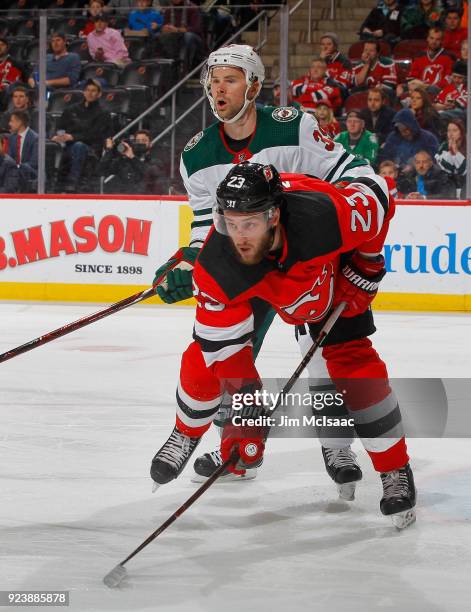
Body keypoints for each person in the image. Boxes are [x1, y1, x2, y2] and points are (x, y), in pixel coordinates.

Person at [151, 44, 394, 488]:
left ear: (255, 86)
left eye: (229, 79)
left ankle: (337, 448)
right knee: (230, 356)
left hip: (306, 258)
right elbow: (206, 226)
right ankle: (239, 452)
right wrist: (186, 260)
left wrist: (347, 246)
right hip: (246, 264)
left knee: (322, 355)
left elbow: (348, 171)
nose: (217, 88)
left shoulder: (294, 127)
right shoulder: (196, 155)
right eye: (213, 79)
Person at [150, 161, 417, 530]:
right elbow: (224, 352)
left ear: (274, 215)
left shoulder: (322, 216)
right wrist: (249, 414)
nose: (239, 235)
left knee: (355, 364)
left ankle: (394, 469)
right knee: (203, 355)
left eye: (250, 223)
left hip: (329, 275)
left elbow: (379, 193)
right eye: (231, 222)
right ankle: (186, 430)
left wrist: (366, 266)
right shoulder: (217, 264)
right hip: (263, 283)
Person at [51, 79, 112, 192]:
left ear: (99, 94)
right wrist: (59, 137)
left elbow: (96, 134)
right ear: (83, 92)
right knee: (51, 146)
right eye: (87, 90)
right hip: (68, 145)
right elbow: (61, 127)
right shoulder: (71, 109)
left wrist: (73, 137)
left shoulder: (103, 113)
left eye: (93, 90)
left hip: (91, 148)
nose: (90, 93)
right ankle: (51, 183)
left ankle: (73, 183)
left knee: (78, 146)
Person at [98, 128, 163, 194]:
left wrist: (132, 157)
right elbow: (101, 171)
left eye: (144, 140)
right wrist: (109, 151)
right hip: (126, 199)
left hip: (146, 200)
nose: (140, 143)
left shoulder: (156, 161)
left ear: (150, 144)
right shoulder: (124, 161)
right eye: (137, 141)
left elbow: (150, 174)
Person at [397, 27, 454, 98]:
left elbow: (448, 78)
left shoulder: (449, 57)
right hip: (420, 91)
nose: (434, 42)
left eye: (437, 39)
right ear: (427, 38)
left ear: (442, 41)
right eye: (432, 38)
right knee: (400, 88)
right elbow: (412, 77)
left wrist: (429, 87)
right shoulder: (419, 56)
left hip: (439, 91)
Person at [156, 0, 205, 73]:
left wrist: (177, 30)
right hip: (174, 38)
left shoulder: (192, 8)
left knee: (188, 36)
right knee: (159, 36)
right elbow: (165, 25)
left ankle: (184, 67)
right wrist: (165, 28)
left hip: (193, 39)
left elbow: (196, 29)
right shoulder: (168, 10)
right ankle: (168, 66)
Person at [7, 109, 37, 192]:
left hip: (31, 172)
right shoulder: (12, 138)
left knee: (22, 169)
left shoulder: (35, 138)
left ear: (20, 122)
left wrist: (18, 167)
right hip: (15, 172)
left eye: (12, 121)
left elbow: (34, 162)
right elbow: (9, 159)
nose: (9, 124)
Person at [435, 118, 466, 195]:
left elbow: (464, 170)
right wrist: (451, 153)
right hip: (448, 186)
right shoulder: (443, 146)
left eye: (455, 130)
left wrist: (456, 153)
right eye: (449, 130)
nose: (451, 133)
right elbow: (444, 167)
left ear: (461, 133)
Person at [0, 37, 24, 111]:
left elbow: (9, 82)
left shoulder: (14, 63)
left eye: (2, 45)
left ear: (7, 47)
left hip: (5, 94)